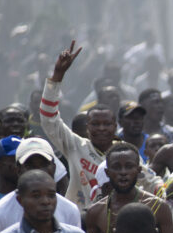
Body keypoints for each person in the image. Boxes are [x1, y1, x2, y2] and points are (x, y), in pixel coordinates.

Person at [40, 41, 118, 206]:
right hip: (80, 222)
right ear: (87, 128)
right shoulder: (76, 145)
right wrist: (57, 75)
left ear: (115, 127)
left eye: (107, 124)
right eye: (95, 124)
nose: (102, 128)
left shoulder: (126, 153)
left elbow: (151, 181)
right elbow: (49, 119)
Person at [85, 142, 173, 233]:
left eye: (129, 166)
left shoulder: (158, 207)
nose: (123, 172)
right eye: (116, 167)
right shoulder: (96, 212)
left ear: (139, 170)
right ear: (107, 172)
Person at [0, 138, 81, 233]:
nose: (37, 170)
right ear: (18, 169)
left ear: (54, 168)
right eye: (30, 165)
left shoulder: (70, 210)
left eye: (44, 164)